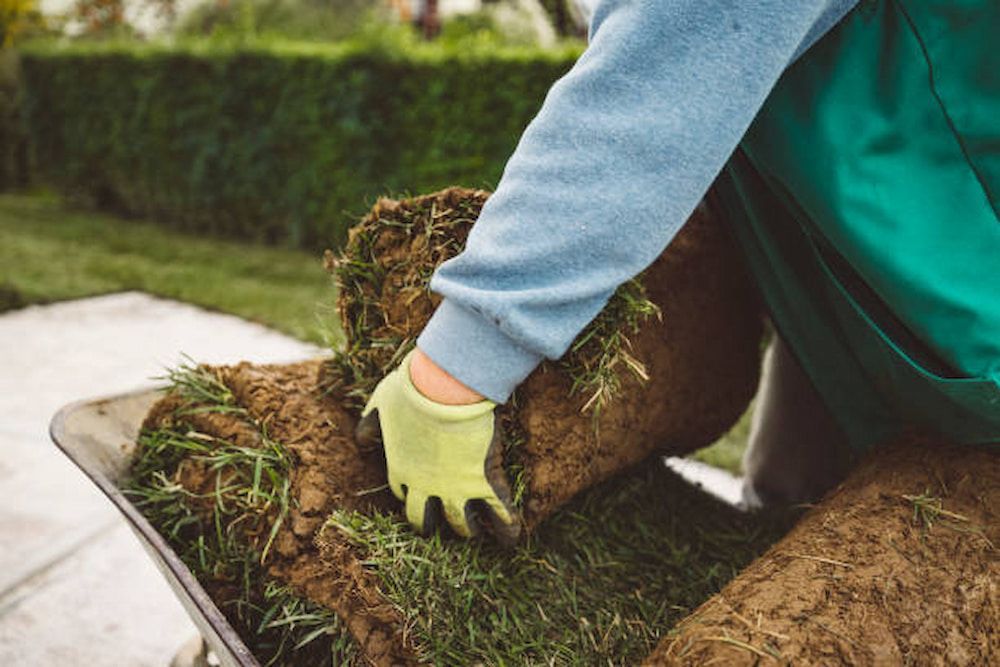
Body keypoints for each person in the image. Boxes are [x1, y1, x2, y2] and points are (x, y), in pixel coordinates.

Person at [359, 0, 1000, 541]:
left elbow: (649, 102)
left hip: (963, 304)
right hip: (882, 292)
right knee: (794, 501)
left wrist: (455, 371)